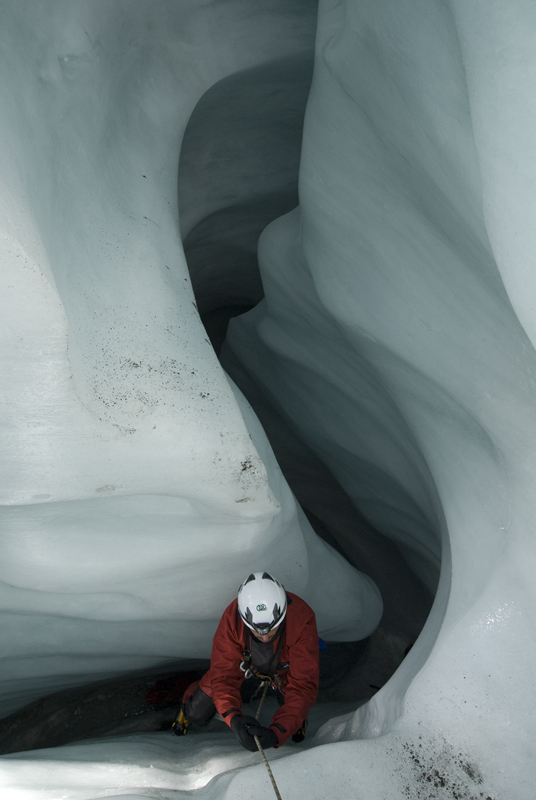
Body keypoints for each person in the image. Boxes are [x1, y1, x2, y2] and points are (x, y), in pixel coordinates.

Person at [173, 571, 319, 751]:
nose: (265, 637)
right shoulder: (232, 620)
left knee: (295, 703)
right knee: (198, 713)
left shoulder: (300, 619)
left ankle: (293, 722)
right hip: (242, 664)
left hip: (284, 670)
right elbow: (223, 677)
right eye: (258, 632)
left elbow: (303, 686)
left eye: (272, 630)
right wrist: (234, 718)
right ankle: (189, 708)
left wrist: (276, 732)